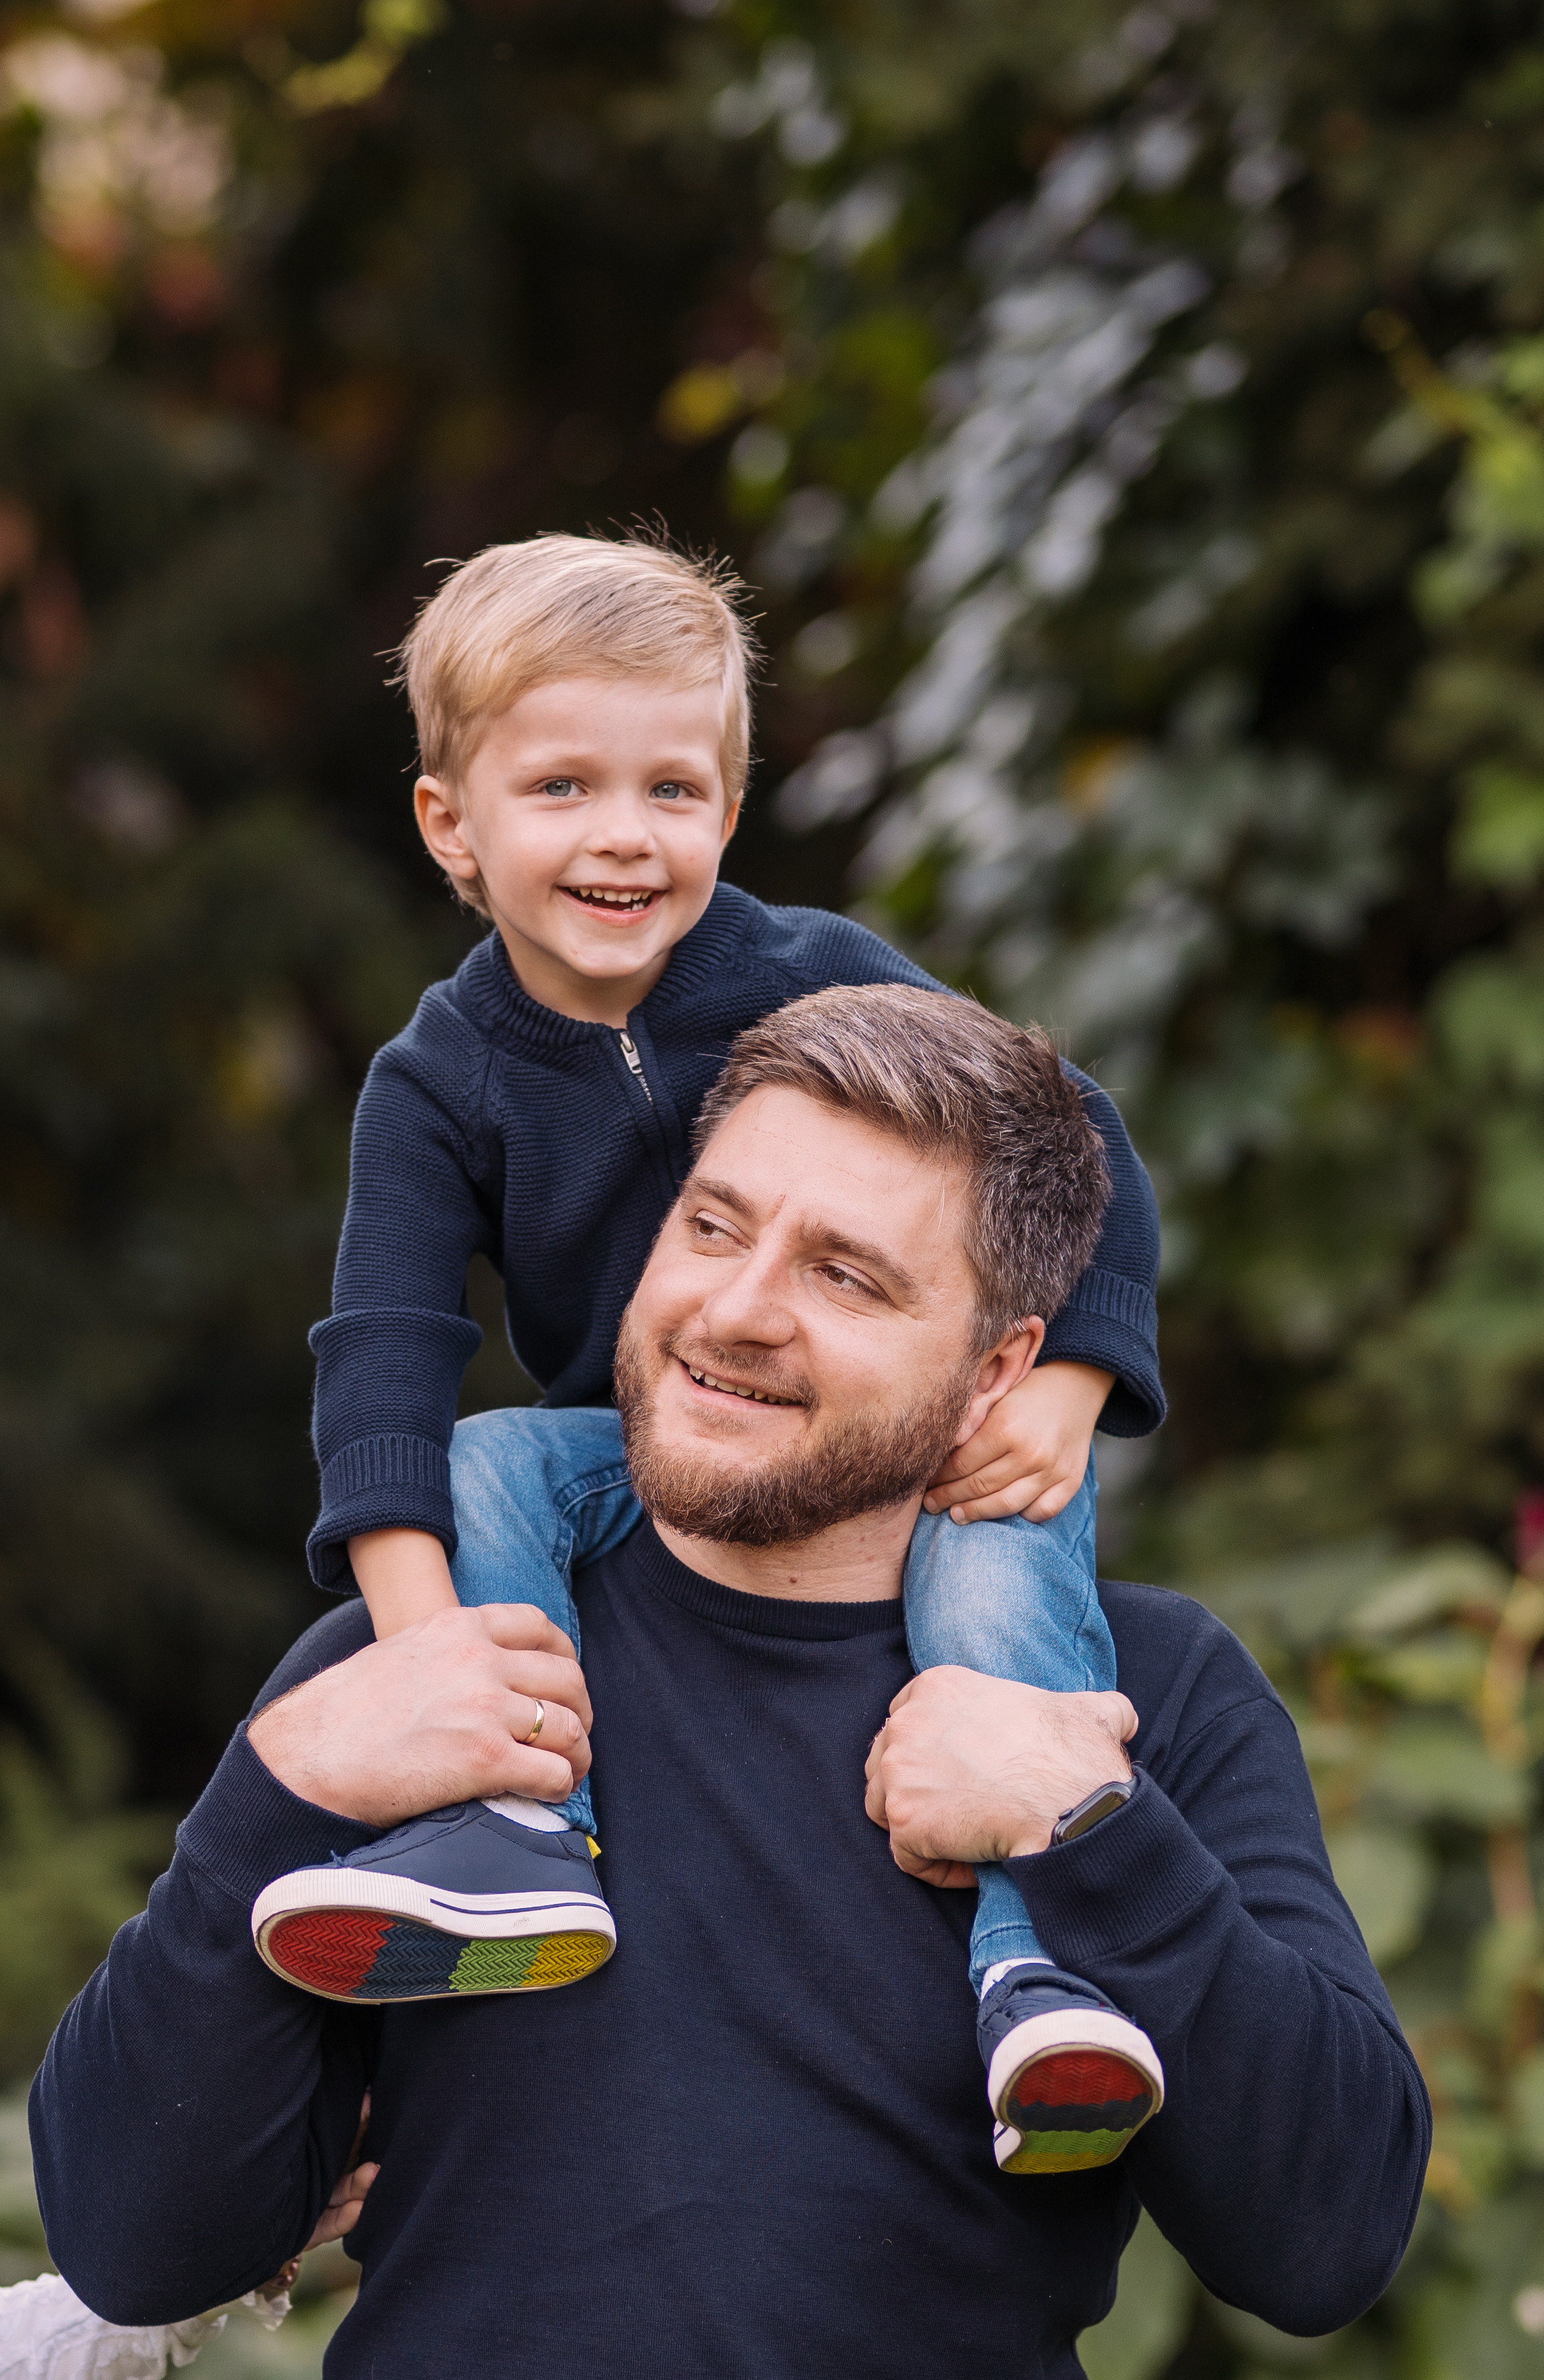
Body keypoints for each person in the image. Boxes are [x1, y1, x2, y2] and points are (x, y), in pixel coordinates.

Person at [30, 987, 1430, 2379]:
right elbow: (136, 2242)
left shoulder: (1141, 1697)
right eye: (710, 1224)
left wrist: (1089, 1827)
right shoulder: (440, 1653)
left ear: (996, 1368)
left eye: (844, 1273)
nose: (736, 1307)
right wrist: (280, 1794)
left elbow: (1323, 2239)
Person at [255, 531, 1167, 2160]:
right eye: (562, 790)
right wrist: (427, 1653)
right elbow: (385, 1350)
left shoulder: (802, 972)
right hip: (644, 1453)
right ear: (449, 826)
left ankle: (1041, 1968)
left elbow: (1071, 1135)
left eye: (671, 790)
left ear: (727, 810)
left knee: (988, 1568)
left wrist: (1070, 1383)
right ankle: (516, 1818)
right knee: (480, 1458)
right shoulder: (438, 1080)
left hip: (906, 1441)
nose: (623, 837)